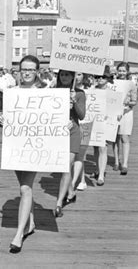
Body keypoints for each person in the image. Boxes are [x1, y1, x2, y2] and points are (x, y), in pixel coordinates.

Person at [8, 55, 46, 253]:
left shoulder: (44, 93)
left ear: (37, 71)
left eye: (31, 69)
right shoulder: (12, 92)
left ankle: (18, 234)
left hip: (34, 146)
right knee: (24, 186)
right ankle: (30, 223)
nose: (27, 72)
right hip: (16, 145)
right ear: (19, 71)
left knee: (25, 188)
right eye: (24, 69)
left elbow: (51, 119)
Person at [53, 70, 86, 218]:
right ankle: (71, 192)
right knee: (62, 167)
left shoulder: (79, 93)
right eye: (62, 75)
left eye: (67, 75)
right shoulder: (53, 92)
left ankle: (59, 203)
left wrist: (74, 103)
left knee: (66, 166)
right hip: (58, 132)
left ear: (73, 76)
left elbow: (82, 115)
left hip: (73, 131)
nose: (64, 77)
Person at [112, 62, 137, 175]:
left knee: (124, 137)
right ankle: (117, 161)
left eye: (124, 70)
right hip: (114, 112)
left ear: (127, 71)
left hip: (126, 113)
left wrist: (129, 102)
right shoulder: (112, 83)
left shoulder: (131, 84)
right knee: (115, 138)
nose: (121, 72)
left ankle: (125, 164)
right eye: (120, 70)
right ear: (117, 71)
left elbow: (134, 101)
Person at [91, 67, 114, 186]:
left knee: (103, 148)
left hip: (106, 123)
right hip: (94, 122)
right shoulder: (91, 91)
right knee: (95, 147)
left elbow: (116, 110)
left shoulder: (112, 93)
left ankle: (101, 174)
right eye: (97, 77)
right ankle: (97, 168)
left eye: (103, 77)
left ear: (108, 78)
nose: (100, 79)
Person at [73, 72, 92, 191]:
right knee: (76, 154)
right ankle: (82, 180)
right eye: (74, 74)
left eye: (79, 74)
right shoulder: (66, 89)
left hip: (88, 122)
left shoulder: (89, 89)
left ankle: (79, 180)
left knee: (80, 153)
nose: (76, 77)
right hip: (76, 123)